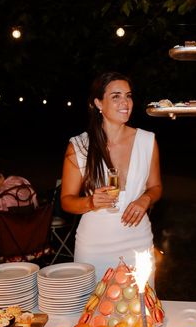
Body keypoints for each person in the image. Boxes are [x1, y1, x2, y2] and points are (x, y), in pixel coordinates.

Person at [61, 71, 162, 282]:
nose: (125, 102)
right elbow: (67, 201)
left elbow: (156, 186)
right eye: (116, 96)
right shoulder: (79, 146)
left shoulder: (147, 141)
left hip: (138, 243)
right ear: (98, 103)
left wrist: (146, 199)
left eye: (128, 95)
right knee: (94, 311)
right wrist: (90, 202)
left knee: (139, 310)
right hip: (93, 248)